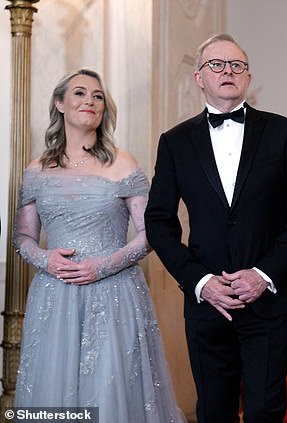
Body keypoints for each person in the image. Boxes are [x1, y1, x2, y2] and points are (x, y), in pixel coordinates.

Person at [144, 34, 287, 423]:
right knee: (213, 410)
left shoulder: (283, 131)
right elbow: (158, 221)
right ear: (199, 77)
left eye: (237, 65)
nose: (228, 72)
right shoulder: (174, 142)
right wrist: (200, 281)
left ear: (248, 76)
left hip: (271, 299)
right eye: (217, 65)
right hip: (208, 302)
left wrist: (264, 274)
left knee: (264, 410)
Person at [12, 68, 184, 422]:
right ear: (60, 103)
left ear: (104, 109)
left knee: (110, 390)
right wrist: (45, 259)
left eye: (97, 96)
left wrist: (101, 266)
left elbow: (150, 233)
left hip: (114, 294)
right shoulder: (36, 170)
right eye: (79, 93)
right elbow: (22, 237)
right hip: (55, 296)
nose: (89, 100)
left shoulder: (123, 163)